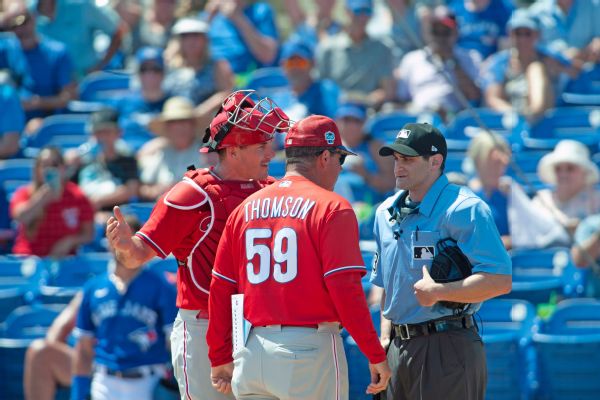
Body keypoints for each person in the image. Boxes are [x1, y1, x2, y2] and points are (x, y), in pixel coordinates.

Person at [105, 90, 292, 400]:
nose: (271, 154)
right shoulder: (192, 193)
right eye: (261, 146)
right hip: (203, 327)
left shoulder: (274, 191)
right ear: (233, 151)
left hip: (261, 324)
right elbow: (136, 256)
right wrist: (123, 245)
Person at [206, 115, 391, 399]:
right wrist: (374, 352)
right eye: (340, 160)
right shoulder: (332, 207)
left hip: (251, 350)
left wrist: (220, 353)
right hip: (307, 352)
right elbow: (345, 291)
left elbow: (221, 289)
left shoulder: (246, 208)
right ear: (325, 157)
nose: (340, 170)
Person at [370, 122, 512, 399]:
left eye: (408, 159)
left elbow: (500, 280)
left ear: (435, 161)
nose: (398, 166)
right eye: (396, 158)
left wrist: (440, 292)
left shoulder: (465, 208)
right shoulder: (385, 212)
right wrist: (385, 338)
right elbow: (388, 284)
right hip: (397, 346)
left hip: (447, 344)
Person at [71, 241, 178, 400]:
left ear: (141, 246)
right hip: (105, 381)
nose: (125, 249)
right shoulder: (93, 287)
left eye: (131, 242)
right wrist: (78, 394)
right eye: (120, 241)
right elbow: (84, 348)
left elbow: (174, 342)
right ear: (110, 245)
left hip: (149, 380)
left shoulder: (161, 286)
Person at [480, 8, 571, 122]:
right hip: (511, 120)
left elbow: (574, 71)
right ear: (510, 34)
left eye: (527, 34)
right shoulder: (499, 62)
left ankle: (532, 117)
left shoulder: (549, 57)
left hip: (546, 120)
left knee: (536, 69)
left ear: (537, 35)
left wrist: (557, 68)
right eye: (518, 33)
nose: (522, 39)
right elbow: (493, 98)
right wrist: (514, 116)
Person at [394, 5, 481, 121]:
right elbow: (402, 99)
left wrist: (453, 62)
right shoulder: (412, 59)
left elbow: (474, 96)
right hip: (419, 118)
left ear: (455, 32)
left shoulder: (471, 57)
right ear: (427, 32)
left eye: (445, 32)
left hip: (455, 120)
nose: (440, 38)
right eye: (435, 31)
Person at [10, 146, 95, 257]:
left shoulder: (77, 196)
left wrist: (69, 241)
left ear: (63, 168)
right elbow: (20, 217)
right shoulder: (25, 193)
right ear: (37, 169)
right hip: (29, 258)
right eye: (44, 165)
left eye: (54, 165)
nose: (49, 170)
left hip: (64, 260)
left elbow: (88, 234)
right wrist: (42, 198)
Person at [316, 0, 395, 109]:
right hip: (335, 111)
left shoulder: (382, 49)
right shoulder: (327, 49)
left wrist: (371, 99)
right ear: (347, 12)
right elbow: (321, 87)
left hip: (368, 112)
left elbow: (388, 89)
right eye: (357, 11)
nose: (362, 17)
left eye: (367, 11)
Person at [137, 96, 212, 201]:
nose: (180, 128)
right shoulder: (162, 153)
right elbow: (144, 187)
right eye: (174, 123)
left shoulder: (208, 153)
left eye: (184, 122)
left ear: (193, 126)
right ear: (167, 128)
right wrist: (158, 190)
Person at [68, 108, 140, 214]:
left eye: (107, 132)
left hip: (115, 213)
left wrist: (98, 201)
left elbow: (131, 190)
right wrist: (69, 165)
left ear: (118, 133)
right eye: (98, 132)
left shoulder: (127, 160)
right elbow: (69, 189)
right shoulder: (82, 161)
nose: (102, 137)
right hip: (84, 214)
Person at [532, 139, 600, 236]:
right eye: (558, 169)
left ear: (584, 173)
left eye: (570, 168)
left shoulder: (597, 200)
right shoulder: (541, 199)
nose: (563, 174)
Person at [24, 293, 82, 400]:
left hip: (115, 363)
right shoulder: (94, 290)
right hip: (88, 362)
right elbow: (55, 334)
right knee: (41, 352)